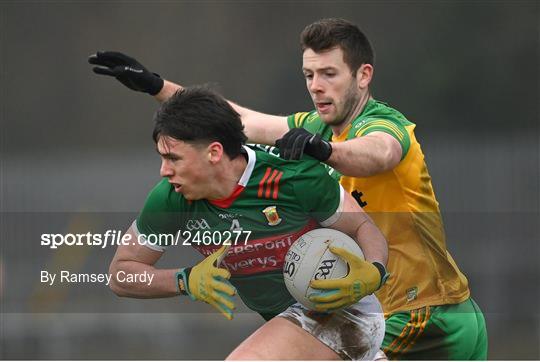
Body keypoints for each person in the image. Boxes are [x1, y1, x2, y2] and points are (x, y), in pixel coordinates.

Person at [89, 18, 487, 360]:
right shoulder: (311, 127)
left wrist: (325, 150)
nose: (316, 86)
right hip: (382, 310)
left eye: (329, 74)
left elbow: (376, 154)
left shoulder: (383, 126)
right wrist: (156, 86)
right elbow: (230, 121)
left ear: (363, 76)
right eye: (309, 75)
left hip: (420, 312)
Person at [107, 85, 389, 360]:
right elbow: (121, 273)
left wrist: (374, 271)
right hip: (290, 328)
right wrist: (186, 280)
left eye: (173, 158)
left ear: (214, 153)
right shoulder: (171, 199)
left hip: (348, 315)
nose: (164, 171)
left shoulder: (293, 176)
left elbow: (363, 228)